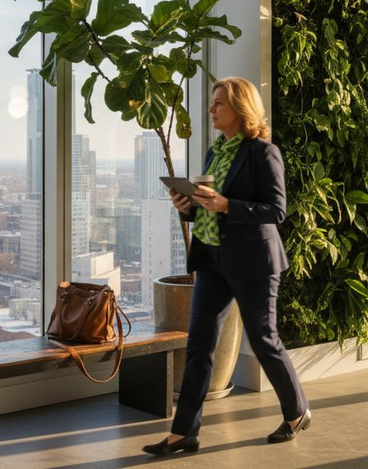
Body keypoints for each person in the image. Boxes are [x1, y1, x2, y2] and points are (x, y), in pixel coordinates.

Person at [143, 77, 311, 457]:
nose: (211, 109)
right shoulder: (214, 152)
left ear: (240, 108)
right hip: (213, 259)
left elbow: (276, 211)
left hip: (254, 262)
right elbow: (209, 206)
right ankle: (183, 433)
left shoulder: (263, 153)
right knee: (199, 346)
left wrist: (226, 205)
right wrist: (187, 207)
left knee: (264, 341)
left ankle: (297, 411)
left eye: (219, 103)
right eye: (213, 102)